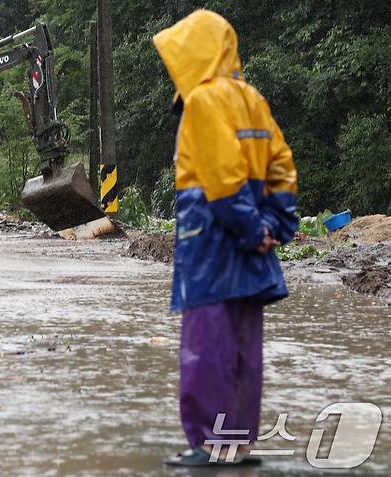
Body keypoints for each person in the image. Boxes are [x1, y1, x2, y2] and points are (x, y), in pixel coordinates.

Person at [152, 10, 299, 466]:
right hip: (250, 236)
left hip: (213, 241)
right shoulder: (252, 99)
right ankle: (236, 444)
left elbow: (221, 178)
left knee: (205, 346)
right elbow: (282, 166)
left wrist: (252, 230)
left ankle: (209, 446)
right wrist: (276, 225)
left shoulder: (202, 102)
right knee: (242, 349)